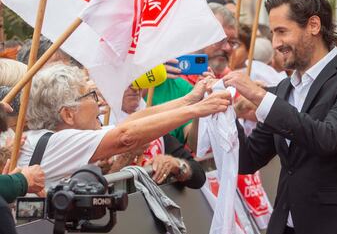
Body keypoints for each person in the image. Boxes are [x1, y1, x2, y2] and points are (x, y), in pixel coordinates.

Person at [223, 0, 337, 234]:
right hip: (286, 229)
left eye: (282, 32)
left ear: (314, 25)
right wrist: (227, 111)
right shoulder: (284, 89)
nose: (275, 44)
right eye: (272, 33)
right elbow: (248, 160)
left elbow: (326, 138)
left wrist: (261, 97)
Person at [16, 63, 231, 188]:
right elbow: (126, 136)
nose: (98, 101)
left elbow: (130, 123)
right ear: (68, 114)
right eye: (90, 95)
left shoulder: (57, 135)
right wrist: (198, 110)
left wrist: (190, 100)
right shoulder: (57, 141)